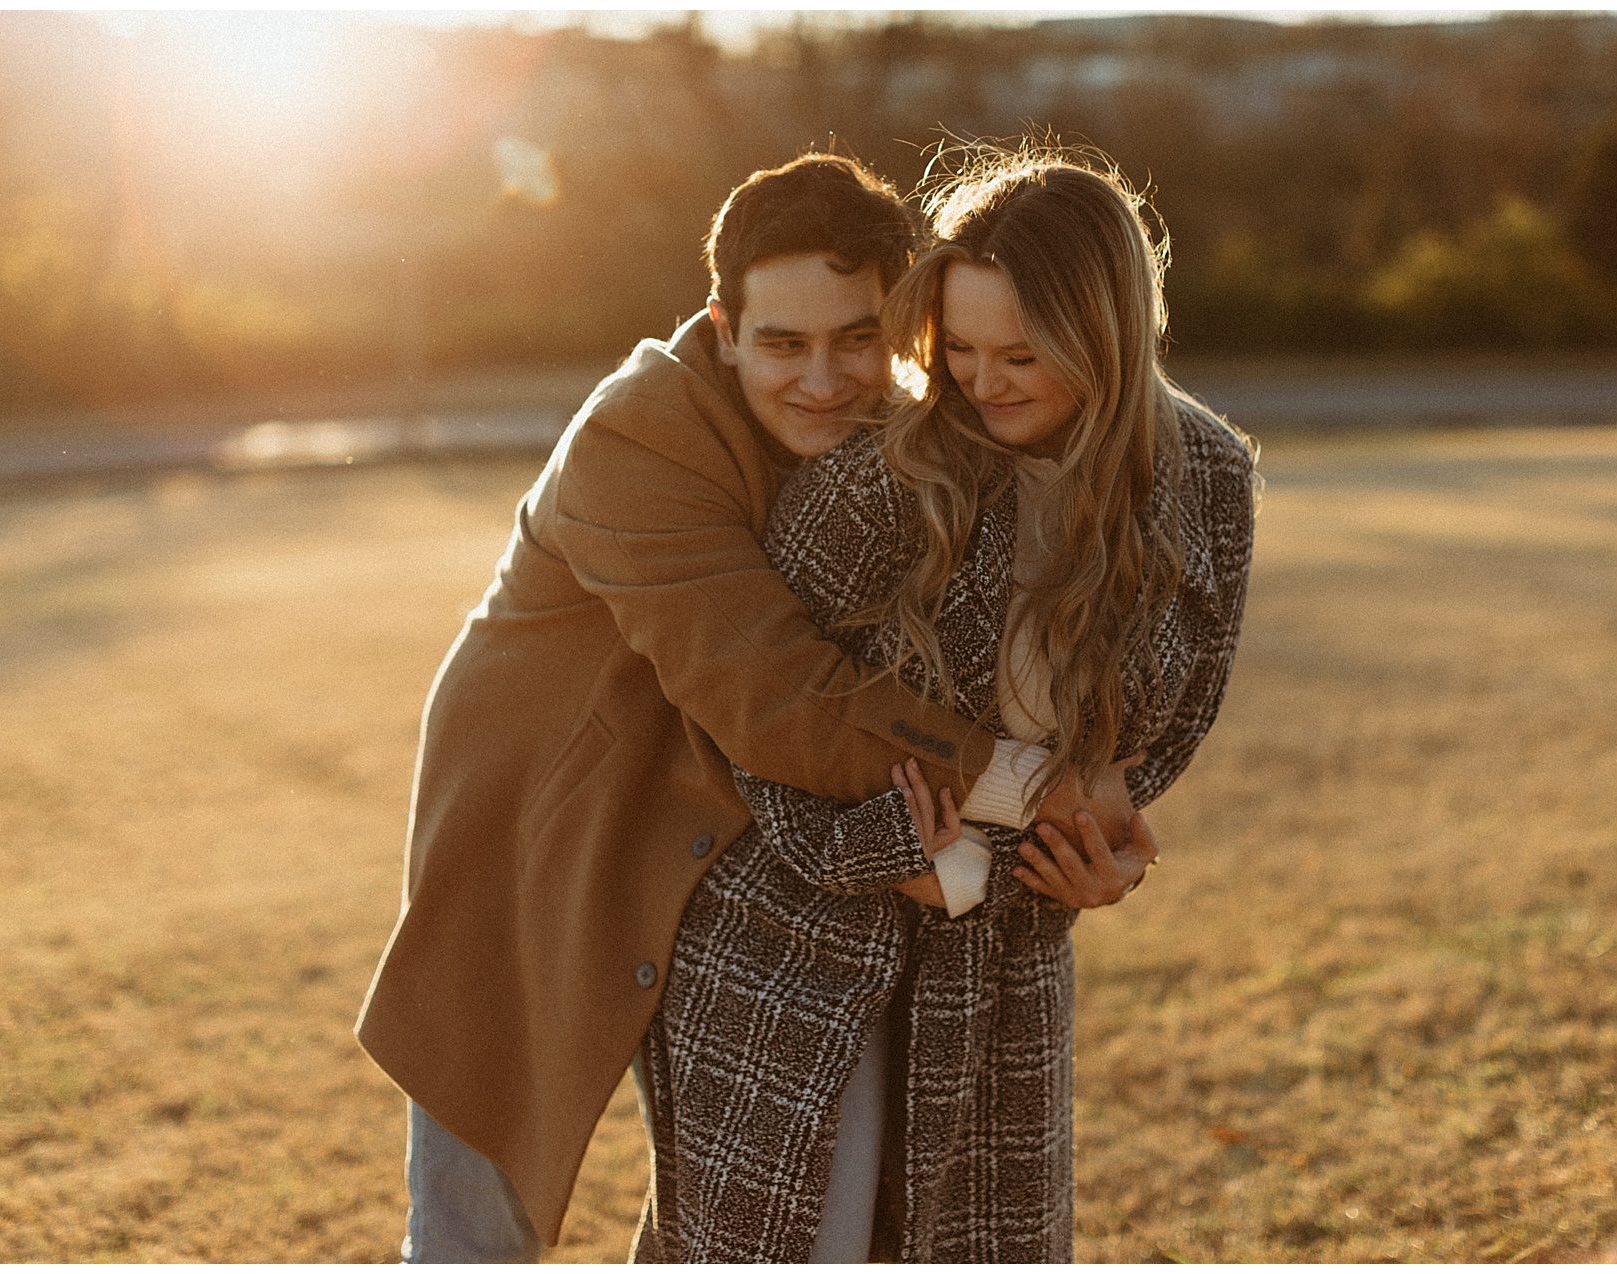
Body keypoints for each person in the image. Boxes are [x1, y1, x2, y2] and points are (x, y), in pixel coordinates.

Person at [354, 153, 1143, 1262]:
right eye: (783, 343)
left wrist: (1075, 836)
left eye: (855, 339)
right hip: (547, 842)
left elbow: (944, 669)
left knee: (795, 1202)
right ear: (724, 328)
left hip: (748, 847)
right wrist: (1038, 790)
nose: (822, 379)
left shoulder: (904, 442)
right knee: (476, 1230)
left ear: (902, 327)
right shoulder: (637, 437)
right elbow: (781, 697)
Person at [629, 145, 1258, 1262]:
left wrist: (1097, 835)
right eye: (957, 348)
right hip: (796, 932)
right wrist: (904, 847)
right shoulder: (891, 471)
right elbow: (751, 714)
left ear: (1107, 333)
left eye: (1022, 352)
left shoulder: (1204, 477)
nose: (983, 380)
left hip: (1003, 958)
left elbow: (1176, 712)